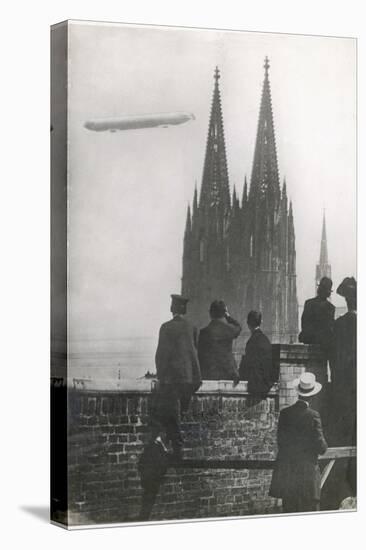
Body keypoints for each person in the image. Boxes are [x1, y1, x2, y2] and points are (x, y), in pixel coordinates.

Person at [151, 294, 201, 460]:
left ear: (172, 309)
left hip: (172, 380)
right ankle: (166, 440)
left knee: (171, 413)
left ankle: (177, 449)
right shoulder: (193, 327)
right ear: (184, 310)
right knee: (178, 413)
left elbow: (161, 356)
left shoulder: (166, 327)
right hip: (189, 379)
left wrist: (161, 375)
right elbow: (194, 352)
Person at [269, 372, 328, 513]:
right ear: (313, 395)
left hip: (288, 477)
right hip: (307, 477)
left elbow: (281, 442)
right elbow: (322, 447)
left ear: (298, 393)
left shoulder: (285, 414)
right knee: (309, 513)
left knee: (289, 512)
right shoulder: (313, 416)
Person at [198, 300, 241, 383]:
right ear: (224, 314)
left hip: (209, 374)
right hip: (228, 374)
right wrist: (228, 316)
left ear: (210, 313)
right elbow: (238, 327)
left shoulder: (203, 332)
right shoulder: (229, 329)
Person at [299, 276, 335, 360]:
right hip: (323, 346)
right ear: (328, 292)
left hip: (309, 341)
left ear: (319, 289)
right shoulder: (330, 307)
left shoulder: (309, 303)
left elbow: (304, 324)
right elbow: (329, 329)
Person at [239, 310, 274, 394]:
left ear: (248, 324)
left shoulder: (251, 341)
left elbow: (248, 364)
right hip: (267, 382)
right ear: (260, 322)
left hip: (256, 384)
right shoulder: (265, 340)